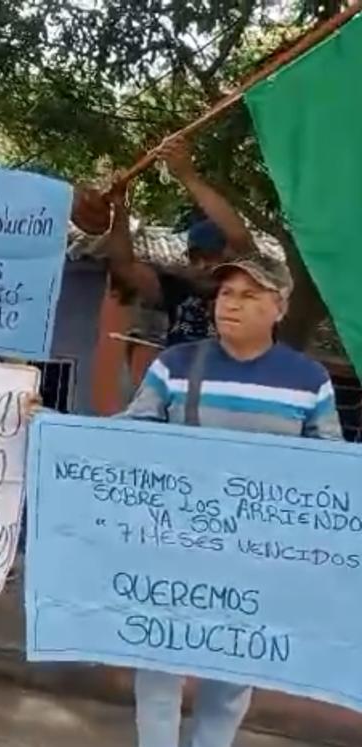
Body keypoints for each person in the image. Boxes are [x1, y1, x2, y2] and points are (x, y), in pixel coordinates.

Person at [122, 252, 341, 747]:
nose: (231, 305)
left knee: (230, 680)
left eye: (249, 295)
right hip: (174, 551)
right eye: (225, 293)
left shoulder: (309, 380)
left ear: (280, 308)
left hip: (255, 563)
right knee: (158, 670)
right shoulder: (173, 366)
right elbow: (125, 442)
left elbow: (330, 467)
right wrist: (50, 424)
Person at [107, 138, 255, 346]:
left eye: (211, 255)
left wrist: (187, 176)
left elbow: (239, 237)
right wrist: (120, 207)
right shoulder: (178, 291)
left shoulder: (250, 288)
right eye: (196, 257)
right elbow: (124, 267)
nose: (202, 265)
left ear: (230, 257)